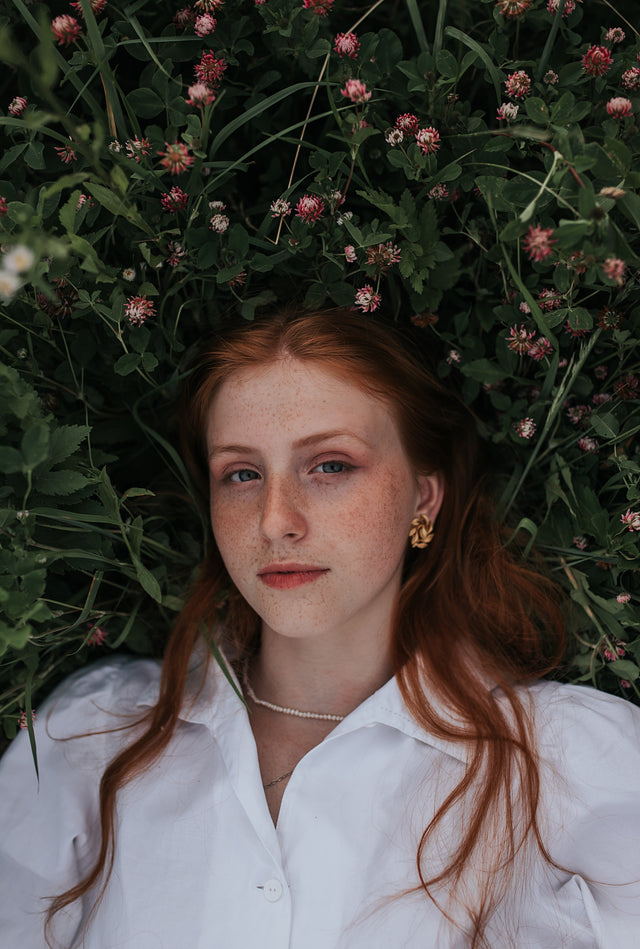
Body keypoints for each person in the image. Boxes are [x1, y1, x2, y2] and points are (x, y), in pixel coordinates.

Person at [1, 307, 639, 949]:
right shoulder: (97, 733)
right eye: (242, 474)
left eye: (330, 465)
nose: (276, 520)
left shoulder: (564, 761)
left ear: (424, 497)